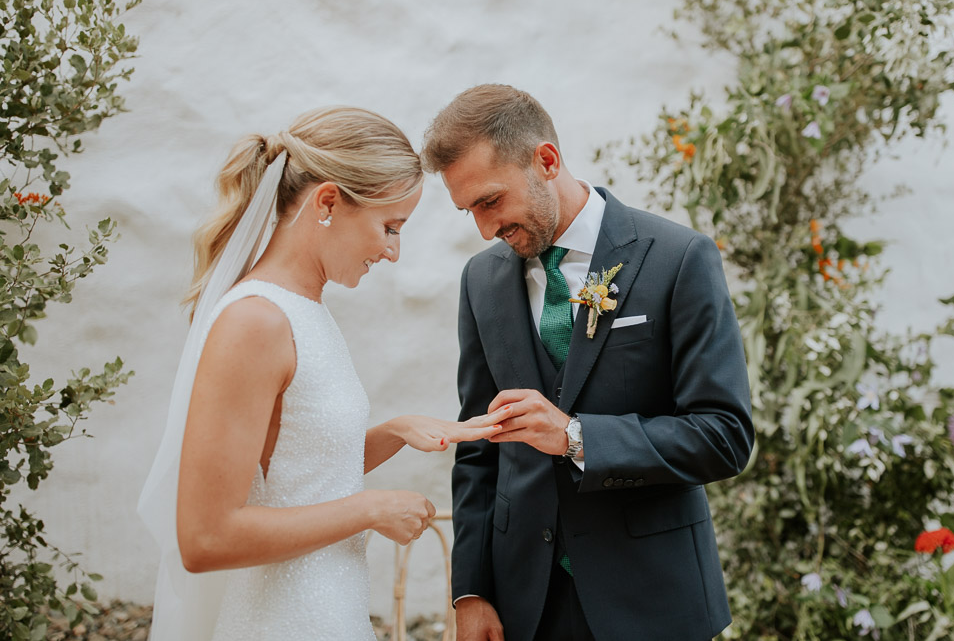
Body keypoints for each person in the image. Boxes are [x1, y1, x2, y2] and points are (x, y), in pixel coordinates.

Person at [138, 106, 509, 641]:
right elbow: (206, 538)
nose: (392, 252)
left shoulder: (305, 310)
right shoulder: (256, 322)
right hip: (278, 621)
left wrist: (396, 432)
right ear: (328, 201)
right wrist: (369, 509)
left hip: (328, 611)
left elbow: (296, 473)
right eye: (389, 227)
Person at [421, 85, 755, 641]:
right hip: (525, 604)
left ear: (545, 161)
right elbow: (479, 448)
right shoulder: (481, 280)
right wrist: (471, 590)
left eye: (490, 201)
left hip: (651, 599)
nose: (484, 230)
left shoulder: (678, 259)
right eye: (469, 211)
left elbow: (723, 435)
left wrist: (577, 437)